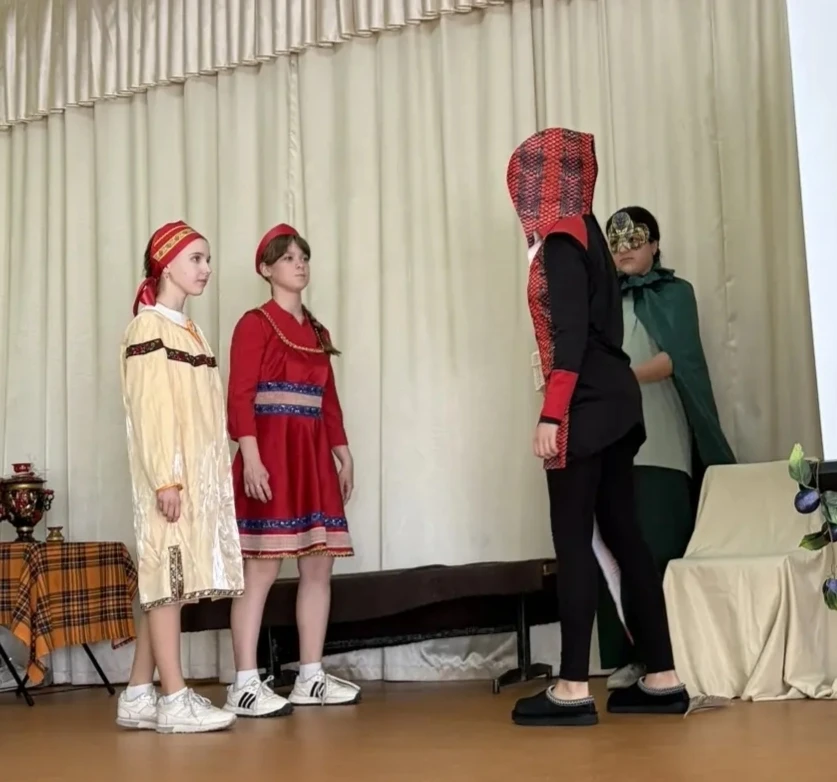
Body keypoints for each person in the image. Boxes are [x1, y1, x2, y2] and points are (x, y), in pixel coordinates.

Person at [505, 128, 690, 727]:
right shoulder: (589, 234)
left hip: (583, 405)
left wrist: (551, 413)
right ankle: (661, 678)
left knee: (573, 541)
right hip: (617, 402)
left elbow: (570, 336)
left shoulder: (562, 241)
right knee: (625, 537)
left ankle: (571, 688)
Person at [223, 223, 361, 718]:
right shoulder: (254, 323)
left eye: (303, 256)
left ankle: (310, 676)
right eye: (287, 258)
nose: (299, 264)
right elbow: (239, 395)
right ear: (266, 269)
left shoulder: (317, 331)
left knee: (319, 564)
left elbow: (329, 399)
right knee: (260, 567)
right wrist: (251, 455)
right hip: (272, 451)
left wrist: (342, 452)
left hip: (312, 453)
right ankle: (244, 682)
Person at [597, 206, 735, 690]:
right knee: (614, 549)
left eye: (635, 239)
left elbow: (676, 359)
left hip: (660, 442)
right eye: (616, 242)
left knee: (658, 547)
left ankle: (669, 657)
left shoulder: (676, 294)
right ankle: (630, 656)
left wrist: (619, 377)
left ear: (655, 244)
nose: (625, 249)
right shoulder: (600, 301)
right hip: (611, 442)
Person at [116, 220, 245, 734]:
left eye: (208, 259)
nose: (206, 268)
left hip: (196, 480)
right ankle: (173, 698)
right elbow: (151, 410)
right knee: (166, 583)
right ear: (166, 264)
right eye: (196, 258)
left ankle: (137, 692)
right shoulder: (148, 328)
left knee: (172, 585)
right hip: (170, 481)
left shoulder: (188, 330)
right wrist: (166, 479)